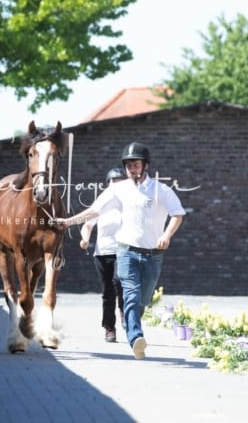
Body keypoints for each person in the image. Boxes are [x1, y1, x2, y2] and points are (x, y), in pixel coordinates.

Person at [56, 142, 185, 359]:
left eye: (135, 165)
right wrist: (68, 222)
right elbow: (94, 210)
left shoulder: (161, 190)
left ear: (146, 165)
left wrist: (166, 235)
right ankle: (136, 338)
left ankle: (134, 325)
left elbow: (177, 214)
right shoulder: (118, 189)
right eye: (128, 166)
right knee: (131, 295)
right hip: (126, 251)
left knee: (143, 297)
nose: (131, 169)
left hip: (153, 254)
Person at [80, 167, 126, 343]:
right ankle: (109, 328)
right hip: (102, 252)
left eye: (120, 181)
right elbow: (87, 225)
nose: (116, 185)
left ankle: (123, 313)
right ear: (108, 184)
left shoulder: (129, 204)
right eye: (113, 182)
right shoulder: (102, 203)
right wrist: (85, 239)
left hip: (123, 251)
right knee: (107, 292)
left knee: (119, 283)